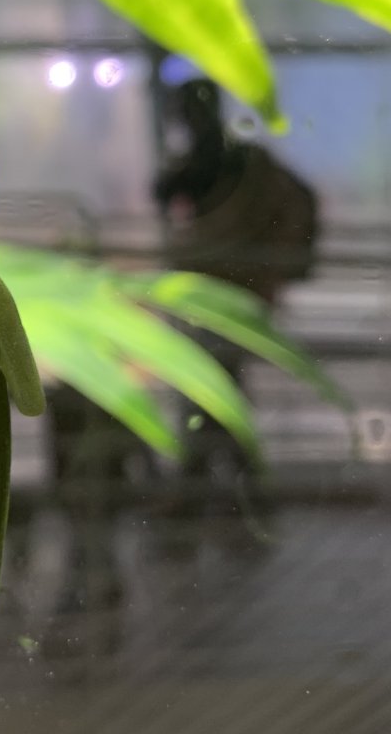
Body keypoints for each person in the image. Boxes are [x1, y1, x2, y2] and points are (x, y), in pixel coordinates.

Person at [152, 78, 319, 507]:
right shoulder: (224, 162)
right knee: (215, 383)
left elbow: (167, 190)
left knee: (211, 383)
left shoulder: (228, 162)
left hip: (222, 290)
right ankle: (236, 484)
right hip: (222, 289)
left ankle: (210, 485)